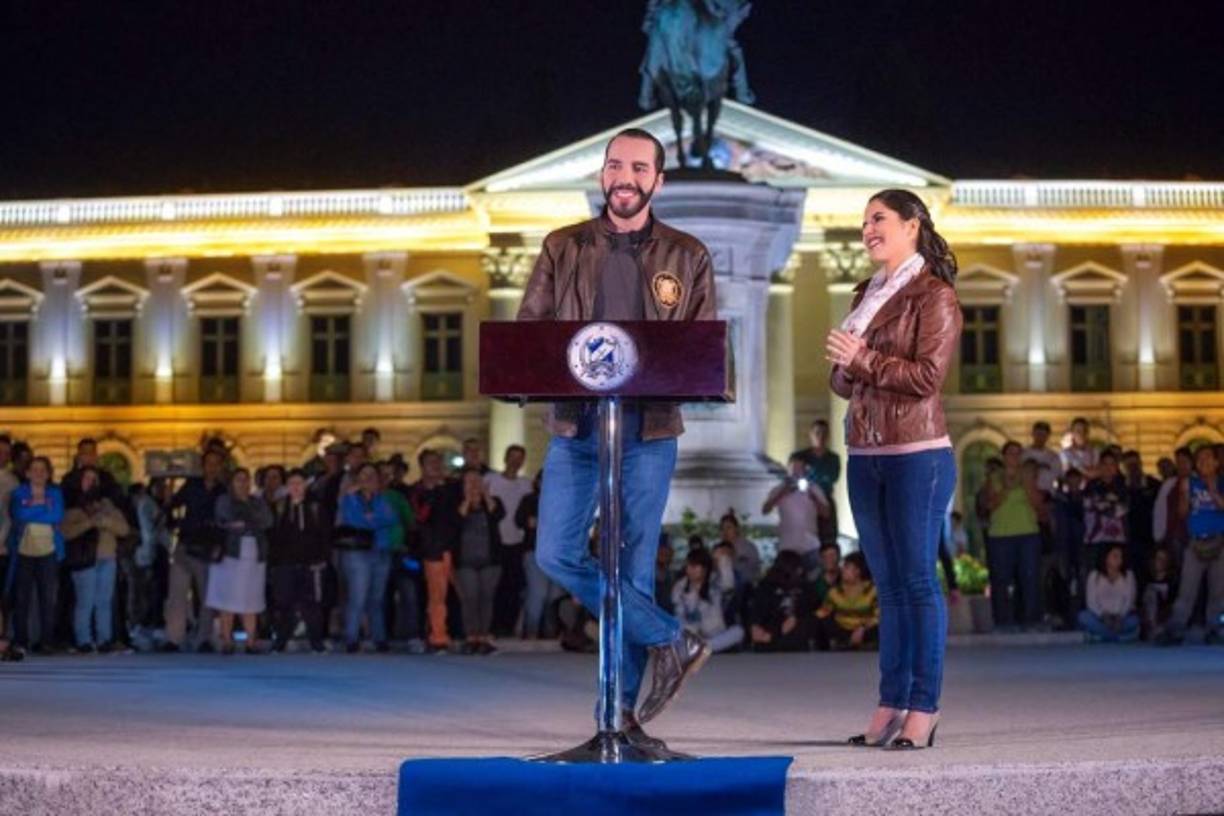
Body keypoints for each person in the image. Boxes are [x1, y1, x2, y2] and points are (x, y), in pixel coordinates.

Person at [518, 127, 717, 737]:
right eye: (613, 166)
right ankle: (670, 638)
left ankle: (619, 715)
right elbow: (531, 332)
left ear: (658, 179)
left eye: (636, 167)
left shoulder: (687, 255)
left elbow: (702, 346)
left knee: (631, 569)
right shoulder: (563, 246)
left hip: (648, 429)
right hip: (577, 427)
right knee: (555, 551)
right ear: (603, 175)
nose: (622, 177)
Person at [827, 188, 960, 750]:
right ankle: (890, 700)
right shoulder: (868, 294)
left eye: (878, 219)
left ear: (913, 225)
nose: (867, 229)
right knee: (889, 588)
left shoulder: (934, 295)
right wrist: (845, 365)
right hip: (866, 453)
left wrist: (861, 359)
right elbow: (840, 382)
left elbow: (927, 377)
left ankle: (923, 707)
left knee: (917, 583)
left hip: (917, 453)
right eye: (864, 222)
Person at [164, 450, 228, 652]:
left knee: (207, 597)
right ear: (203, 465)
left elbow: (225, 522)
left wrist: (220, 545)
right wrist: (174, 516)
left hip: (207, 548)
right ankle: (174, 638)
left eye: (216, 463)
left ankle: (204, 638)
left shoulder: (223, 491)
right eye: (209, 463)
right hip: (185, 545)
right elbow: (173, 506)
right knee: (177, 593)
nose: (212, 467)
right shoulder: (192, 485)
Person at [62, 466, 131, 653]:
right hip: (84, 559)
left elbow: (124, 529)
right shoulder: (72, 505)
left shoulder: (108, 505)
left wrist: (106, 522)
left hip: (107, 558)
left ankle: (104, 640)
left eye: (94, 479)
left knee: (104, 602)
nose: (91, 482)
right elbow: (65, 532)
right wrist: (89, 523)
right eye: (86, 478)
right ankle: (83, 640)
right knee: (85, 601)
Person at [1161, 445, 1224, 645]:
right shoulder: (1190, 483)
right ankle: (1177, 627)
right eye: (1199, 459)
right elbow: (1182, 513)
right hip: (1195, 542)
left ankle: (1215, 627)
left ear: (1216, 462)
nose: (1203, 462)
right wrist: (1183, 495)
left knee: (1218, 590)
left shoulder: (1222, 483)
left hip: (1219, 542)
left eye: (1208, 458)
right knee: (1187, 589)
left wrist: (1213, 491)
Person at [337, 463, 400, 653]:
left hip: (381, 550)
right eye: (364, 474)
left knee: (377, 598)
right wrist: (372, 519)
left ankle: (379, 637)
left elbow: (392, 518)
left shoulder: (383, 499)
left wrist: (369, 519)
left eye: (372, 474)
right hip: (357, 552)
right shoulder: (349, 498)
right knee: (358, 596)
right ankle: (351, 638)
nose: (368, 478)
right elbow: (353, 519)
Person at [209, 468, 272, 654]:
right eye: (239, 479)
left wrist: (246, 523)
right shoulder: (225, 501)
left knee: (251, 597)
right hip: (230, 552)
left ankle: (251, 642)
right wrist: (248, 522)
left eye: (246, 479)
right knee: (227, 597)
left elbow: (267, 520)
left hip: (255, 551)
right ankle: (227, 640)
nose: (243, 483)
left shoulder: (257, 502)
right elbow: (227, 519)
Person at [983, 442, 1046, 631]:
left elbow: (1040, 506)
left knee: (1030, 577)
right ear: (1003, 456)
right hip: (1000, 535)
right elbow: (989, 505)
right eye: (1011, 453)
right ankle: (1002, 621)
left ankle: (1031, 619)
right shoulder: (993, 477)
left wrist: (1028, 485)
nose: (1015, 457)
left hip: (1028, 533)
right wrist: (1006, 487)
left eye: (1018, 454)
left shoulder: (1029, 476)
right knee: (1001, 579)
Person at [267, 469, 331, 653]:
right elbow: (273, 535)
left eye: (299, 483)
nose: (295, 487)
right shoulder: (280, 507)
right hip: (285, 562)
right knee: (284, 603)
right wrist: (275, 562)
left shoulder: (315, 507)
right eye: (292, 483)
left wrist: (322, 558)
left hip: (311, 562)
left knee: (312, 604)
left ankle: (316, 642)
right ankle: (280, 641)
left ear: (305, 485)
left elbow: (324, 535)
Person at [8, 457, 65, 654]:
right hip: (23, 551)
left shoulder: (55, 493)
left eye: (43, 470)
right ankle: (21, 640)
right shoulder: (18, 493)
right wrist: (42, 509)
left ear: (48, 473)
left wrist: (32, 507)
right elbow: (20, 515)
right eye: (34, 469)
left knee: (47, 599)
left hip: (49, 551)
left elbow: (56, 516)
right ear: (27, 473)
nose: (39, 473)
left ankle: (46, 641)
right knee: (22, 598)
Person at [410, 448, 461, 653]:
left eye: (438, 462)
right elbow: (419, 518)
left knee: (456, 595)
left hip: (454, 547)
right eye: (431, 462)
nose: (436, 466)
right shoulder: (417, 491)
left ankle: (455, 634)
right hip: (432, 548)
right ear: (422, 467)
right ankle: (437, 637)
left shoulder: (453, 488)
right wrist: (433, 494)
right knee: (436, 596)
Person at [484, 444, 533, 637]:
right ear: (505, 458)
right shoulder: (491, 480)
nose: (515, 461)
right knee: (495, 587)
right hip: (495, 541)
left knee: (514, 586)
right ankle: (493, 626)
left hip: (518, 542)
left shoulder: (526, 484)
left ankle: (508, 626)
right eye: (512, 456)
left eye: (519, 457)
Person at [455, 467, 505, 655]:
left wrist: (485, 495)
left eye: (477, 480)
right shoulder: (458, 503)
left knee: (486, 598)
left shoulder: (493, 502)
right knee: (470, 598)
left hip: (490, 560)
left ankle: (484, 636)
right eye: (470, 481)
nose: (474, 484)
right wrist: (468, 500)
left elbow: (498, 515)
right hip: (465, 560)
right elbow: (456, 522)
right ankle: (471, 636)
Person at [762, 455, 830, 576]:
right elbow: (765, 510)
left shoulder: (814, 489)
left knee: (812, 582)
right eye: (794, 468)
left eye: (800, 468)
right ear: (789, 470)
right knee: (787, 579)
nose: (797, 472)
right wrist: (783, 493)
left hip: (810, 545)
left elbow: (826, 514)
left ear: (806, 470)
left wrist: (813, 497)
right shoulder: (779, 489)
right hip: (787, 546)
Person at [517, 470, 563, 638]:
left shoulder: (562, 500)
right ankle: (531, 632)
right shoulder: (529, 500)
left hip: (556, 554)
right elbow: (521, 521)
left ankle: (549, 633)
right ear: (537, 482)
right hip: (534, 551)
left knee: (554, 594)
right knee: (538, 593)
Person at [671, 548, 743, 653]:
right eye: (688, 566)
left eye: (694, 567)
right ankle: (701, 647)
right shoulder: (680, 586)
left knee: (739, 632)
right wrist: (692, 630)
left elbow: (728, 584)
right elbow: (679, 613)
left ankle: (705, 647)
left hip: (715, 633)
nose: (690, 570)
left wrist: (723, 559)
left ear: (705, 568)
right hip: (691, 632)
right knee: (675, 624)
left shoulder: (715, 581)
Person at [1082, 451, 1129, 594]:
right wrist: (1109, 504)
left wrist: (1102, 504)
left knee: (1117, 578)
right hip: (1095, 539)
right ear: (1099, 466)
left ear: (1116, 467)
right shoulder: (1091, 485)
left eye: (1112, 464)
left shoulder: (1123, 487)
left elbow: (1121, 510)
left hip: (1117, 540)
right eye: (1105, 464)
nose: (1108, 468)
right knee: (1093, 578)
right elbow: (1088, 505)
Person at [749, 550, 813, 652]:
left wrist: (774, 634)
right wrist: (755, 626)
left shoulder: (804, 588)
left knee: (798, 622)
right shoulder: (766, 587)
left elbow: (801, 614)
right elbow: (757, 611)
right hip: (768, 631)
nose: (800, 571)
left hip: (790, 635)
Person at [816, 551, 880, 651]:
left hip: (865, 629)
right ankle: (841, 644)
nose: (842, 570)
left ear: (858, 571)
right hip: (843, 629)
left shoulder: (872, 590)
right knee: (820, 622)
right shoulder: (835, 591)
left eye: (846, 567)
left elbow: (879, 616)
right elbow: (823, 612)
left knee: (881, 627)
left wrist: (862, 628)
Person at [791, 419, 841, 546]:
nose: (820, 436)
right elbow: (793, 476)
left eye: (824, 433)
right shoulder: (800, 456)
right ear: (810, 434)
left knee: (828, 537)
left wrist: (810, 476)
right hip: (804, 501)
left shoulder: (833, 458)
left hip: (825, 500)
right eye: (817, 432)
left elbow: (832, 477)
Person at [1077, 543, 1139, 642]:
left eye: (1121, 557)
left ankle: (1102, 636)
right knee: (1083, 617)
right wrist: (1103, 615)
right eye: (1115, 556)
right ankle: (1116, 637)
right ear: (1106, 558)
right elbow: (1091, 602)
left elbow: (1129, 601)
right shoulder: (1094, 575)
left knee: (1134, 621)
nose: (1119, 560)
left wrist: (1120, 615)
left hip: (1120, 618)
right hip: (1101, 618)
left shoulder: (1128, 575)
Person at [1122, 450, 1161, 586]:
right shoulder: (1121, 487)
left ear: (1140, 464)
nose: (1133, 469)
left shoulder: (1154, 485)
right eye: (1129, 466)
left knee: (1150, 572)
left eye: (1135, 464)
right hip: (1128, 538)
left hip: (1150, 537)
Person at [1141, 547, 1176, 642]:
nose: (1161, 562)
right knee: (1150, 592)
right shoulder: (1147, 577)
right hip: (1150, 616)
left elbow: (1173, 601)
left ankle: (1163, 632)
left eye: (1164, 559)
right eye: (1159, 558)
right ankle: (1155, 630)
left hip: (1165, 615)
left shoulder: (1172, 579)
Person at [1022, 421, 1063, 497]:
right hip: (1027, 495)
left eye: (1043, 435)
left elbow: (1059, 478)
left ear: (1048, 436)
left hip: (1047, 496)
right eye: (1038, 434)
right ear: (1033, 434)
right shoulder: (1023, 454)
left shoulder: (1054, 456)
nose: (1040, 437)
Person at [1060, 418, 1100, 482]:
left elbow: (1095, 473)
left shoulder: (1095, 451)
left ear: (1088, 433)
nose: (1082, 434)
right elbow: (1068, 476)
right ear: (1072, 433)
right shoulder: (1065, 453)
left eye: (1085, 430)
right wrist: (1087, 470)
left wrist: (1077, 467)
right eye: (1078, 431)